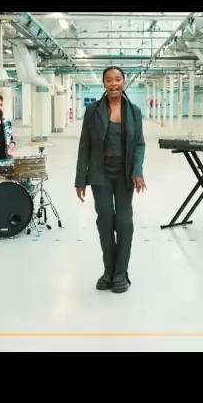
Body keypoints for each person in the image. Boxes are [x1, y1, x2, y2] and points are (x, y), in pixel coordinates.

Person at [75, 66, 146, 294]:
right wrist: (80, 179)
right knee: (105, 221)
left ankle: (121, 272)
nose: (114, 84)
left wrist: (138, 171)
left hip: (124, 173)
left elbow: (139, 144)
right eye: (109, 80)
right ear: (103, 83)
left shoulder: (134, 112)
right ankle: (109, 270)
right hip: (100, 172)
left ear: (124, 81)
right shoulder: (92, 110)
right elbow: (84, 145)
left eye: (117, 79)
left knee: (124, 223)